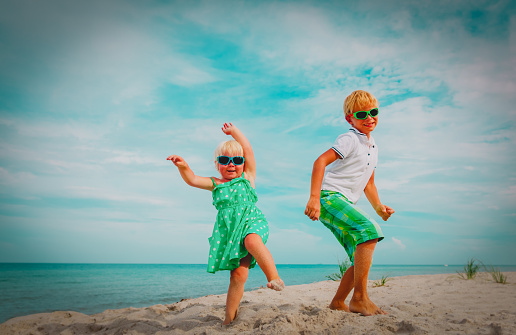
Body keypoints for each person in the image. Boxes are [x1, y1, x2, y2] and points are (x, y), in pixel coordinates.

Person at [167, 122, 284, 325]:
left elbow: (248, 148)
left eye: (237, 160)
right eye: (225, 160)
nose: (231, 164)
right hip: (232, 234)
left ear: (244, 163)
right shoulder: (216, 184)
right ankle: (229, 320)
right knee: (237, 276)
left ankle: (274, 278)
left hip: (252, 223)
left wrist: (235, 132)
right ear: (217, 164)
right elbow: (193, 180)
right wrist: (184, 166)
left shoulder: (248, 178)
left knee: (252, 242)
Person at [304, 90, 394, 316]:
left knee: (360, 254)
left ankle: (337, 301)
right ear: (350, 118)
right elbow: (320, 161)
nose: (369, 118)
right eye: (362, 114)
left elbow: (369, 183)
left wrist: (379, 207)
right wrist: (314, 198)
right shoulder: (350, 138)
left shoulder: (373, 146)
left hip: (342, 201)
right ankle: (360, 299)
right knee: (369, 231)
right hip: (329, 197)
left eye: (373, 112)